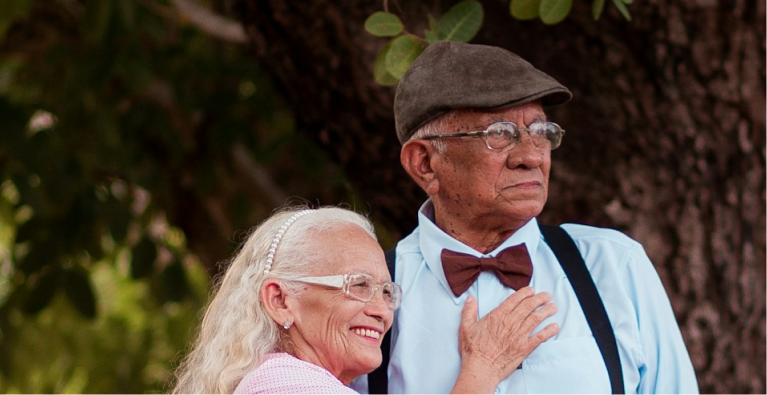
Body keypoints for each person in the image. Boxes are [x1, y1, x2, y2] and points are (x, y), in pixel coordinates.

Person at [351, 41, 699, 395]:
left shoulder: (614, 265)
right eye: (499, 134)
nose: (532, 157)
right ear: (424, 164)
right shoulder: (369, 296)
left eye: (541, 133)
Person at [170, 206, 557, 395]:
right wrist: (483, 369)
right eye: (357, 285)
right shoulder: (283, 384)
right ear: (280, 300)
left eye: (387, 291)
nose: (381, 309)